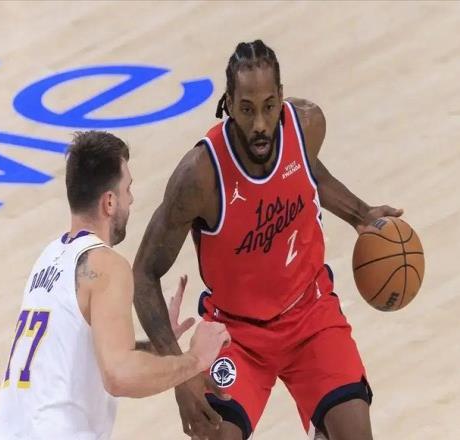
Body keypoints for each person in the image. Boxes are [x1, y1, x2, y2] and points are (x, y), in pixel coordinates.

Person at [133, 40, 403, 440]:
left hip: (310, 314)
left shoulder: (306, 126)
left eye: (269, 106)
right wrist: (181, 374)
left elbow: (310, 172)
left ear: (280, 97)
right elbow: (143, 273)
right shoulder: (200, 177)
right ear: (228, 104)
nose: (260, 123)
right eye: (247, 109)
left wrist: (360, 214)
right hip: (237, 334)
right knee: (214, 434)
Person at [0, 131, 230, 440]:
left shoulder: (47, 258)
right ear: (110, 202)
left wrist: (152, 347)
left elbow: (70, 354)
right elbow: (118, 376)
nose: (131, 199)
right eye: (128, 189)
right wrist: (195, 359)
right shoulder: (106, 265)